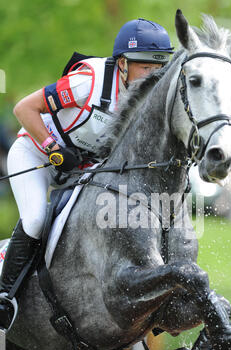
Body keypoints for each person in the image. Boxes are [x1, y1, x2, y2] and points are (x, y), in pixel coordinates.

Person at [0, 18, 174, 331]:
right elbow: (25, 109)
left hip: (83, 166)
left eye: (159, 68)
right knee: (37, 218)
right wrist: (54, 150)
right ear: (122, 64)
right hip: (37, 153)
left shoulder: (147, 101)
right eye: (145, 67)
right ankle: (4, 296)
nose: (153, 76)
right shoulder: (88, 81)